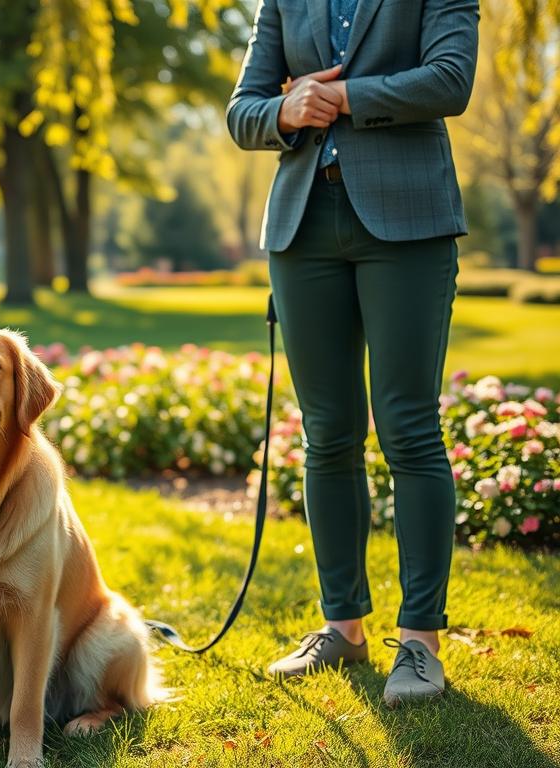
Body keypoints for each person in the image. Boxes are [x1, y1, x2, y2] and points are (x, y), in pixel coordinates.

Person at [225, 0, 479, 706]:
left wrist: (341, 96)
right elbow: (242, 108)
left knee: (409, 426)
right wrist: (285, 110)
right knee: (326, 433)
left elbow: (451, 80)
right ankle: (343, 627)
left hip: (410, 222)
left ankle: (421, 642)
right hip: (303, 230)